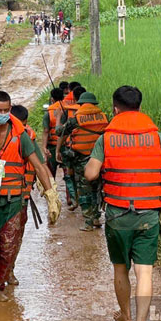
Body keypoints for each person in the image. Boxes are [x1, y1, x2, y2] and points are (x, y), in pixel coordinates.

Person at [84, 86, 161, 321]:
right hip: (148, 215)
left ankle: (126, 316)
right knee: (145, 271)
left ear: (115, 109)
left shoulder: (106, 138)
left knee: (120, 269)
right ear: (140, 106)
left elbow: (91, 174)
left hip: (117, 215)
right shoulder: (156, 137)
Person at [0, 91, 61, 302]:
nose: (3, 114)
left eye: (6, 110)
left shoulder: (20, 136)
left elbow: (38, 165)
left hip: (13, 202)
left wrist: (51, 194)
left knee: (8, 248)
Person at [9, 104, 52, 285]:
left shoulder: (28, 137)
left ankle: (8, 270)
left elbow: (39, 166)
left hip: (21, 197)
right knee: (2, 237)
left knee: (14, 235)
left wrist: (50, 191)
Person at [56, 92, 108, 231]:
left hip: (81, 161)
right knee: (97, 189)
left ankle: (88, 223)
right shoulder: (104, 117)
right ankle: (96, 217)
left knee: (84, 191)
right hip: (99, 160)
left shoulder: (76, 119)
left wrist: (58, 118)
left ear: (80, 104)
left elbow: (59, 131)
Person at [56, 85, 86, 209]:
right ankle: (92, 212)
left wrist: (58, 117)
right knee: (88, 182)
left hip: (73, 151)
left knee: (70, 176)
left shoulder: (69, 112)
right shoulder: (96, 113)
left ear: (74, 98)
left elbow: (60, 133)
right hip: (91, 152)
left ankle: (74, 200)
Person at [41, 87, 65, 178]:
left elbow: (46, 131)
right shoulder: (68, 109)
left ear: (52, 99)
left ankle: (52, 191)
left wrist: (44, 147)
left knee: (50, 174)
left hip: (52, 146)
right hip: (65, 146)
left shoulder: (49, 113)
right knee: (68, 175)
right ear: (63, 98)